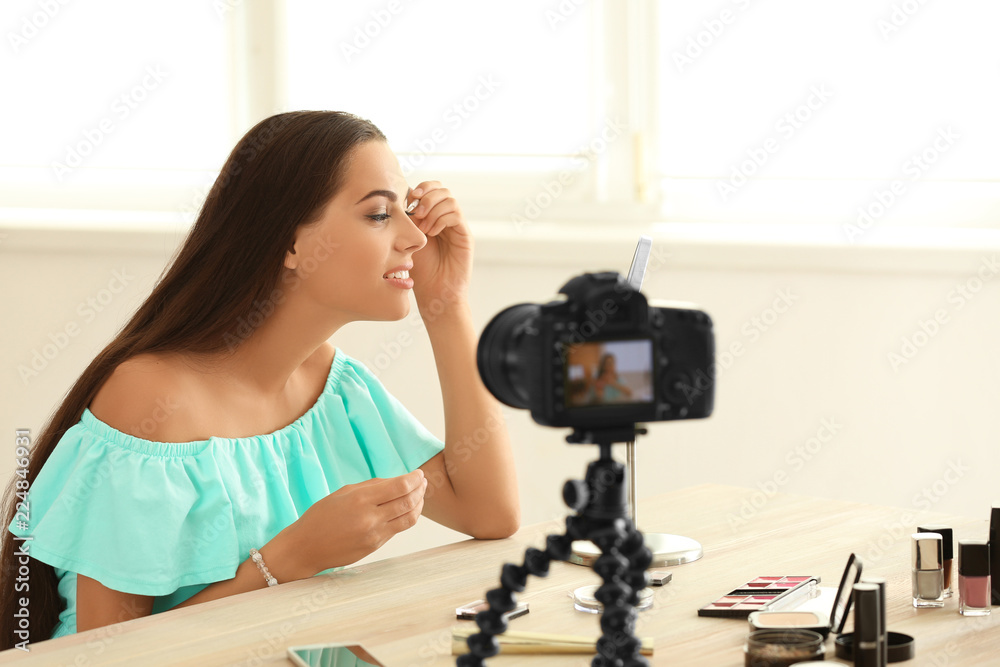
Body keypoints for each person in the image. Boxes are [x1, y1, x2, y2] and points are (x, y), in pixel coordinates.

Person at [0, 111, 520, 647]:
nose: (414, 237)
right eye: (379, 214)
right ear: (290, 245)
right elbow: (110, 649)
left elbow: (489, 511)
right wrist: (291, 558)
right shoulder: (152, 399)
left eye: (407, 211)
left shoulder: (333, 388)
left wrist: (447, 304)